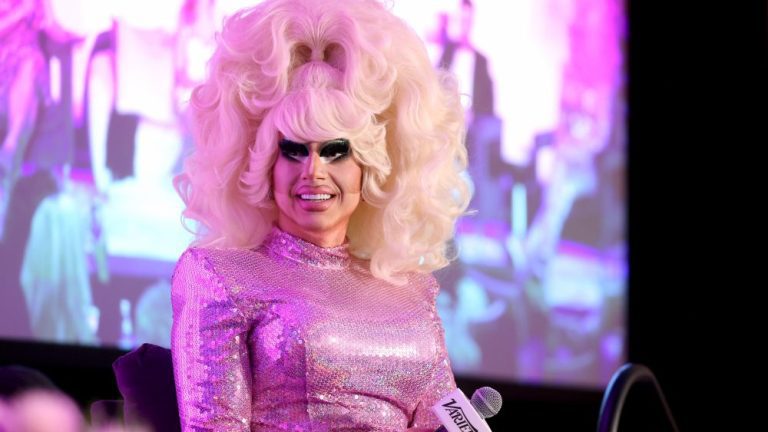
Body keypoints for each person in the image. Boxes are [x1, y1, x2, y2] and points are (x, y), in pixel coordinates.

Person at [170, 0, 471, 430]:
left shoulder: (413, 293)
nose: (314, 171)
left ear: (368, 166)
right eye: (293, 150)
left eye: (335, 151)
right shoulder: (220, 276)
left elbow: (450, 418)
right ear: (265, 164)